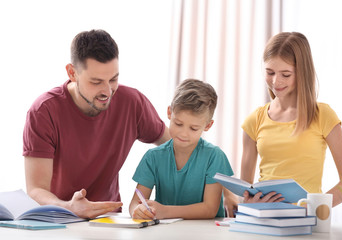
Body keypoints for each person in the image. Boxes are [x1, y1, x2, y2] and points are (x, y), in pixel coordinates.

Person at [23, 29, 170, 219]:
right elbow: (36, 190)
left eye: (113, 79)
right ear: (72, 73)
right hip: (59, 220)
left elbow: (179, 148)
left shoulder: (132, 102)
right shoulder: (43, 112)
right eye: (96, 82)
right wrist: (69, 207)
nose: (107, 91)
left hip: (109, 221)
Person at [224, 32, 342, 217]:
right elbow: (245, 191)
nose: (275, 81)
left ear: (302, 72)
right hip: (264, 221)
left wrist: (313, 208)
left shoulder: (322, 115)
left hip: (306, 222)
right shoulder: (254, 120)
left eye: (285, 74)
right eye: (270, 72)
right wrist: (248, 202)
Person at [129, 79, 234, 219]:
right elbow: (136, 202)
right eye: (178, 124)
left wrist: (165, 212)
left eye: (193, 128)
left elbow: (210, 209)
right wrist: (138, 211)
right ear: (169, 112)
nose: (184, 134)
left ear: (208, 126)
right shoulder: (153, 157)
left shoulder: (214, 156)